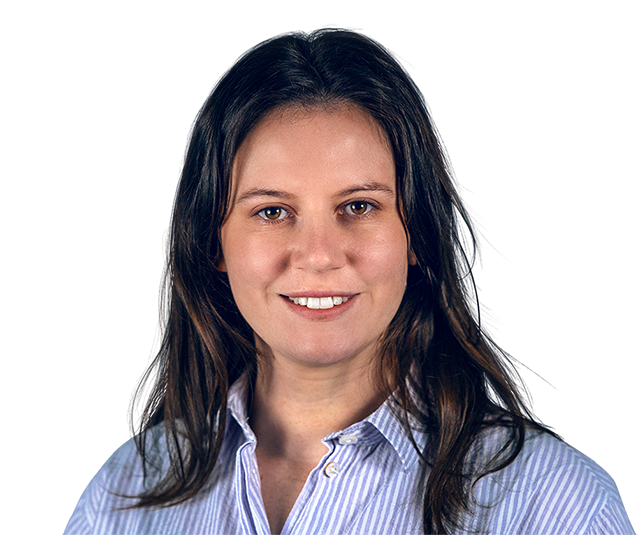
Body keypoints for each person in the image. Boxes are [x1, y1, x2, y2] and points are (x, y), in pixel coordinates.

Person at [63, 28, 635, 535]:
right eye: (271, 211)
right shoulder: (123, 497)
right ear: (214, 242)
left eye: (359, 206)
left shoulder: (553, 507)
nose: (318, 255)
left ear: (417, 232)